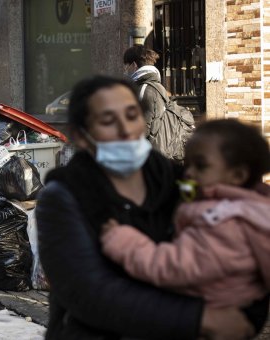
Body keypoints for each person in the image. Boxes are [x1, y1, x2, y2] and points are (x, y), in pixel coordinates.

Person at [35, 75, 268, 339]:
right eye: (108, 121)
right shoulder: (63, 197)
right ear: (82, 136)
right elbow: (87, 292)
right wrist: (199, 318)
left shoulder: (182, 182)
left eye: (132, 115)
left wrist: (247, 316)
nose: (126, 129)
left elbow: (249, 246)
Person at [101, 119, 270, 308]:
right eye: (187, 163)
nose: (188, 173)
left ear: (237, 176)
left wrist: (122, 240)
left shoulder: (224, 223)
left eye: (200, 165)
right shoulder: (232, 210)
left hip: (206, 316)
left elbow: (172, 268)